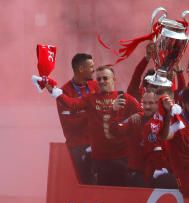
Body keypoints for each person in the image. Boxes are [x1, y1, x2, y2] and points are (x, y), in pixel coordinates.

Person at [48, 65, 141, 186]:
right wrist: (55, 92)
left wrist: (135, 117)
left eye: (105, 78)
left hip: (122, 158)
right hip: (100, 160)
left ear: (114, 79)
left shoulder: (124, 97)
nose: (102, 81)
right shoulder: (91, 98)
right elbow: (72, 104)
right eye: (99, 79)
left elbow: (143, 112)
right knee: (102, 196)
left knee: (121, 195)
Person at [56, 52, 98, 183]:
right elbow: (70, 124)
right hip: (77, 146)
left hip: (97, 144)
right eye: (91, 67)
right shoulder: (64, 92)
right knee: (84, 183)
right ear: (81, 69)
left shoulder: (95, 86)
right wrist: (91, 112)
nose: (93, 70)